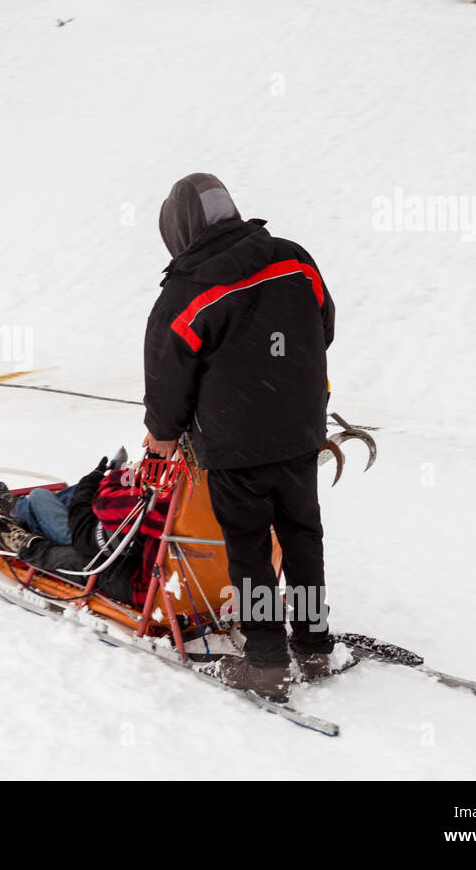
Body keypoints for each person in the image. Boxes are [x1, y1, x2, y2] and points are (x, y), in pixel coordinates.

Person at [141, 172, 335, 701]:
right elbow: (325, 325)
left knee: (249, 550)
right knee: (302, 537)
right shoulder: (294, 258)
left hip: (236, 446)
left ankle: (267, 662)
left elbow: (167, 375)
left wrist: (162, 432)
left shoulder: (189, 289)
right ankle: (315, 644)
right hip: (299, 431)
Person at [0, 450, 169, 610]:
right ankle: (30, 510)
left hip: (103, 553)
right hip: (122, 547)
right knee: (81, 492)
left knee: (40, 495)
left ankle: (23, 516)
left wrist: (116, 474)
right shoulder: (178, 510)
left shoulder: (152, 512)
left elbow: (100, 509)